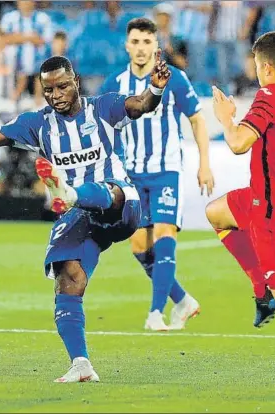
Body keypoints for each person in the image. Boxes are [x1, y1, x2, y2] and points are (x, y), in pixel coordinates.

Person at [0, 53, 172, 381]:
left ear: (76, 83)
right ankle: (80, 364)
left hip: (121, 205)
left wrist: (155, 88)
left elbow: (139, 105)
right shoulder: (38, 124)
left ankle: (70, 193)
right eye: (48, 90)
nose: (56, 96)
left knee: (110, 191)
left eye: (63, 87)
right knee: (68, 279)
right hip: (82, 216)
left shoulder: (104, 107)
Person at [101, 18, 214, 331]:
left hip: (166, 169)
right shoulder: (114, 84)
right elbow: (101, 127)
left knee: (164, 234)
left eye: (146, 42)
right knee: (139, 245)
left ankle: (155, 314)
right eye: (135, 42)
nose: (140, 48)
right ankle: (182, 300)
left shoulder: (173, 78)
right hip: (132, 174)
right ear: (127, 45)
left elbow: (197, 120)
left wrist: (204, 163)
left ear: (156, 46)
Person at [208, 31, 275, 333]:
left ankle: (272, 295)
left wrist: (226, 118)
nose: (256, 72)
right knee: (216, 213)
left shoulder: (270, 96)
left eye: (257, 65)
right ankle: (262, 291)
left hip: (273, 213)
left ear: (267, 67)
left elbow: (239, 143)